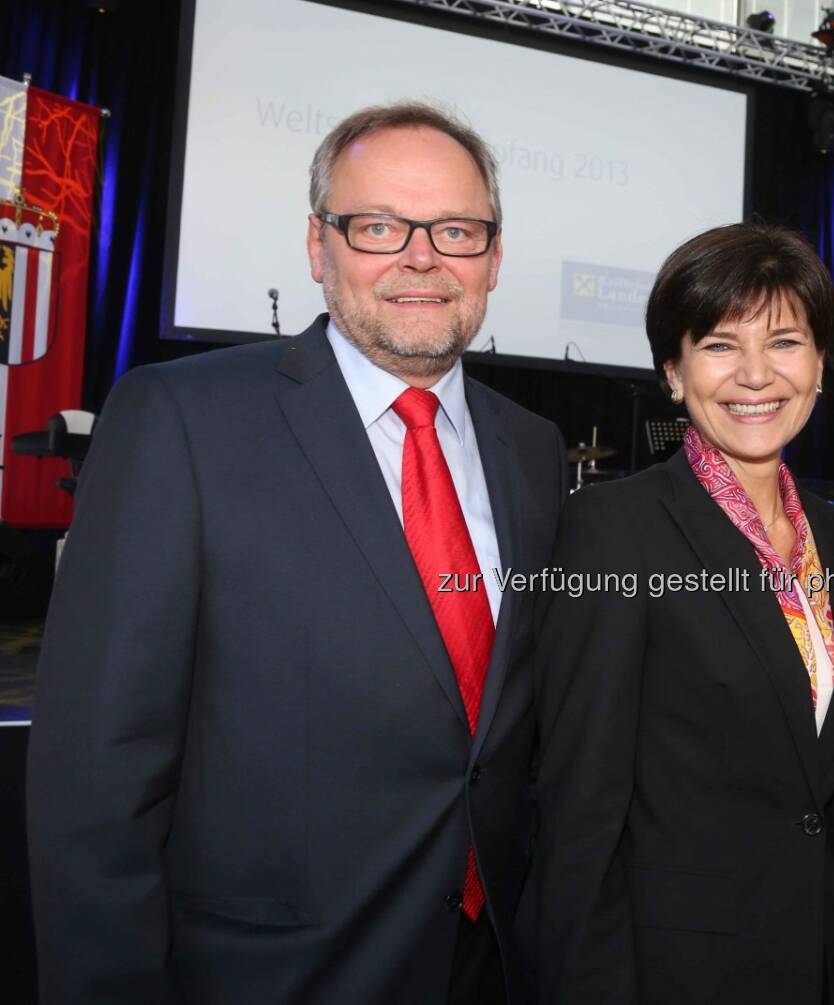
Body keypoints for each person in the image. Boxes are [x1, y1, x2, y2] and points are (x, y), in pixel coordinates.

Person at [27, 101, 566, 1003]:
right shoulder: (181, 422)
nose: (422, 256)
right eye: (378, 226)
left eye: (457, 230)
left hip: (492, 967)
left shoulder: (534, 450)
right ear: (318, 249)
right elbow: (97, 776)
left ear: (495, 258)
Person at [533, 223, 834, 1005]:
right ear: (674, 373)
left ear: (819, 366)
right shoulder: (615, 530)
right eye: (721, 345)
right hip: (671, 972)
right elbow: (580, 811)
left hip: (817, 963)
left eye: (785, 341)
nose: (756, 374)